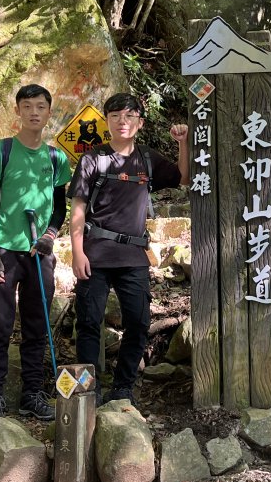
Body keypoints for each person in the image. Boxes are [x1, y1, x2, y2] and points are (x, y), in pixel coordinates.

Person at [69, 93, 189, 405]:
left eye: (129, 116)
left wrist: (182, 143)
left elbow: (183, 176)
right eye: (115, 116)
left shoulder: (146, 159)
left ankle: (123, 386)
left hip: (133, 256)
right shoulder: (92, 159)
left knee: (138, 323)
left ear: (140, 122)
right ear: (106, 121)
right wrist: (77, 252)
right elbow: (78, 210)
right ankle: (87, 390)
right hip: (95, 254)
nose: (123, 122)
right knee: (88, 324)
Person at [0, 83, 72, 421]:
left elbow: (59, 207)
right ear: (17, 110)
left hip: (39, 254)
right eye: (28, 106)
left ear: (49, 112)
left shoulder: (56, 157)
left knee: (37, 326)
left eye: (41, 107)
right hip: (5, 250)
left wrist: (49, 235)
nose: (34, 112)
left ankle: (32, 394)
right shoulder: (0, 150)